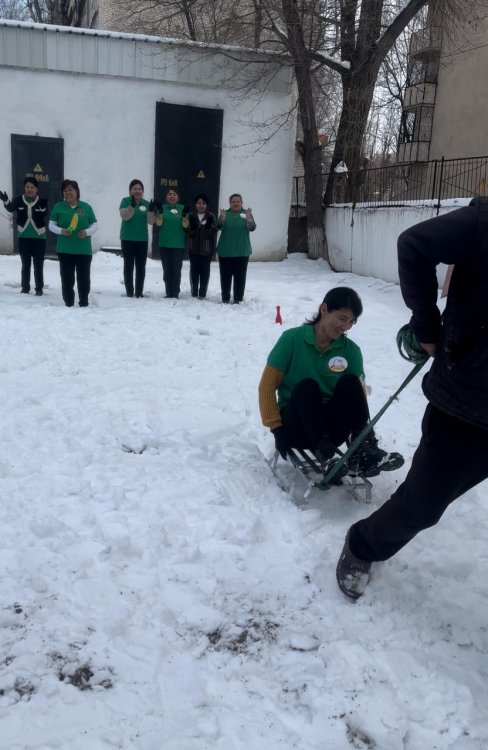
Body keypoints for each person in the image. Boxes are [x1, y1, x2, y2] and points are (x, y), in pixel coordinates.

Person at [336, 197, 488, 600]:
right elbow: (415, 244)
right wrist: (427, 324)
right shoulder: (482, 222)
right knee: (422, 504)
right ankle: (363, 545)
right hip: (469, 406)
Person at [258, 287, 403, 477]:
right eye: (342, 318)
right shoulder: (292, 340)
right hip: (297, 425)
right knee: (307, 386)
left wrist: (354, 435)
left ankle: (362, 450)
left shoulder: (350, 351)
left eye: (352, 322)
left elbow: (358, 396)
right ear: (324, 309)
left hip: (331, 431)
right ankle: (324, 455)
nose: (346, 326)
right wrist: (277, 429)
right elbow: (267, 386)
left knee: (352, 383)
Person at [49, 179, 98, 307]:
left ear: (76, 191)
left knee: (84, 279)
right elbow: (51, 225)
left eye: (70, 190)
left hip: (83, 250)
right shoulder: (58, 207)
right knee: (67, 279)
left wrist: (86, 232)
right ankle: (69, 303)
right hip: (65, 249)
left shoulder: (86, 207)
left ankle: (83, 302)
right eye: (65, 191)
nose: (68, 193)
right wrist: (61, 231)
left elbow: (95, 225)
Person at [0, 177, 48, 295]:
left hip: (39, 238)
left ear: (36, 189)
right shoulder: (18, 200)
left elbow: (45, 212)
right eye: (27, 187)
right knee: (25, 264)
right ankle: (25, 288)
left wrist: (43, 209)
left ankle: (39, 289)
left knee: (38, 265)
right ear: (24, 188)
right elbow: (10, 208)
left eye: (32, 187)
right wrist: (5, 200)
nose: (29, 189)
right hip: (23, 237)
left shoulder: (42, 201)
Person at [217, 193, 256, 304]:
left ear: (241, 203)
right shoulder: (225, 213)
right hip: (225, 251)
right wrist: (222, 220)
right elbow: (218, 227)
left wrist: (249, 220)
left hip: (242, 251)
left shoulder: (246, 214)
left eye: (238, 201)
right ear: (230, 203)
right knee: (225, 277)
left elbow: (252, 228)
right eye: (233, 201)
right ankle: (225, 298)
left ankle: (238, 299)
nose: (236, 203)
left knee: (240, 277)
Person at [119, 179, 155, 298]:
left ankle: (139, 292)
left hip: (142, 240)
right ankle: (129, 291)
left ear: (142, 191)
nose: (137, 191)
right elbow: (125, 217)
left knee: (141, 267)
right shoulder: (125, 201)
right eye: (135, 189)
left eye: (139, 189)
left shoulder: (146, 203)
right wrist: (132, 207)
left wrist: (151, 211)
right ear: (130, 191)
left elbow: (151, 222)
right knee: (128, 266)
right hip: (127, 238)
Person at [154, 188, 188, 299]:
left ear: (178, 197)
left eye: (174, 194)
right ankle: (168, 292)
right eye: (169, 194)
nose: (172, 196)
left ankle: (175, 292)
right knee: (167, 270)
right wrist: (159, 215)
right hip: (164, 244)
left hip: (178, 245)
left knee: (176, 270)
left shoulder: (182, 208)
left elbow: (186, 227)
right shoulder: (162, 208)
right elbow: (158, 225)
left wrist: (184, 218)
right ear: (166, 197)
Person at [186, 193, 217, 300]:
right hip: (193, 249)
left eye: (203, 203)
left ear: (206, 205)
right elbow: (186, 230)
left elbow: (214, 231)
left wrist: (208, 227)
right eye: (199, 203)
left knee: (205, 272)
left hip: (206, 249)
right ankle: (194, 291)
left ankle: (202, 293)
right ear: (196, 204)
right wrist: (194, 228)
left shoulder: (211, 216)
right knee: (194, 271)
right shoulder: (191, 215)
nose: (201, 205)